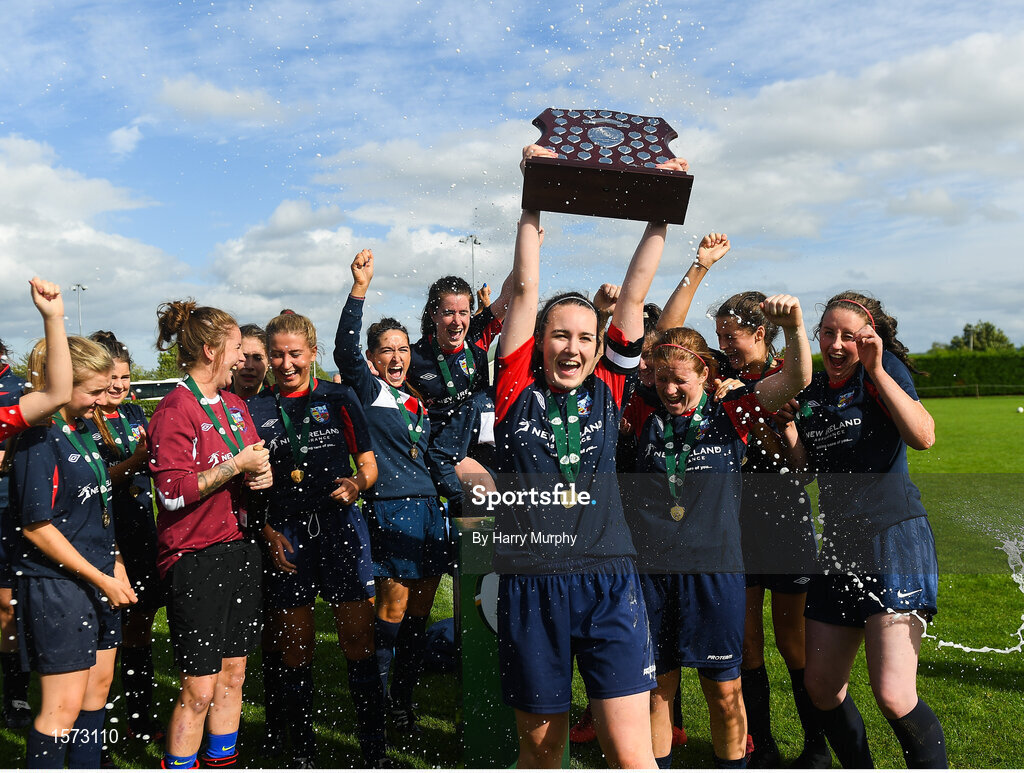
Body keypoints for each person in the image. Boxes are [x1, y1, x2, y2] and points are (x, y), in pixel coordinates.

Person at [488, 144, 685, 768]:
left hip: (609, 579)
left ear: (600, 350)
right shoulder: (516, 384)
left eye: (583, 338)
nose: (571, 348)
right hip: (532, 582)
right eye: (558, 335)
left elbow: (635, 292)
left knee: (633, 758)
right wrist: (533, 188)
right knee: (541, 756)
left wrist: (660, 209)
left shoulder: (611, 385)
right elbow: (527, 284)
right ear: (537, 342)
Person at [654, 234, 828, 766]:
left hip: (784, 523)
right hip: (734, 530)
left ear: (762, 333)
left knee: (793, 646)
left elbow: (805, 464)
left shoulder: (770, 386)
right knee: (747, 647)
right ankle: (763, 748)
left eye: (735, 339)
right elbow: (667, 339)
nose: (726, 348)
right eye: (721, 340)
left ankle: (815, 747)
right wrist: (700, 267)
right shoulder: (720, 385)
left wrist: (785, 424)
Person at [621, 285, 811, 768]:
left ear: (706, 373)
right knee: (657, 694)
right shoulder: (641, 409)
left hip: (716, 573)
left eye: (680, 379)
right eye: (662, 378)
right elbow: (657, 335)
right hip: (653, 576)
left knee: (725, 694)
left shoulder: (733, 411)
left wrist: (793, 328)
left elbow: (794, 378)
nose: (670, 389)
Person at [793, 292, 946, 768]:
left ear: (869, 337)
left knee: (894, 694)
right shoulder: (813, 390)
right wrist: (792, 436)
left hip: (893, 537)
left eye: (849, 336)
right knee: (820, 687)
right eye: (828, 334)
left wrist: (878, 370)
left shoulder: (882, 372)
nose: (836, 345)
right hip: (839, 544)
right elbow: (806, 475)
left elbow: (923, 437)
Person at [247, 312, 385, 767]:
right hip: (287, 536)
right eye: (277, 355)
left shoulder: (339, 397)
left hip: (340, 531)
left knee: (358, 643)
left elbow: (369, 466)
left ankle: (373, 751)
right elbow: (247, 485)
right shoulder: (254, 409)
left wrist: (357, 485)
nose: (286, 364)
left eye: (295, 354)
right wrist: (266, 529)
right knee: (295, 647)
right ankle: (301, 753)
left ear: (313, 352)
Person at [149, 300, 272, 769]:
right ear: (209, 350)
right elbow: (172, 495)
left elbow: (249, 461)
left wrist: (261, 473)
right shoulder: (175, 408)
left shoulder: (237, 405)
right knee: (199, 687)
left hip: (240, 550)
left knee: (234, 675)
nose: (243, 359)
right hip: (194, 558)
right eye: (237, 349)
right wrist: (235, 466)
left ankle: (224, 762)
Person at [9, 336, 137, 768]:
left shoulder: (82, 428)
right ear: (63, 386)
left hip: (99, 576)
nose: (104, 400)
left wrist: (115, 562)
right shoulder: (37, 439)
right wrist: (99, 576)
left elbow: (96, 507)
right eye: (94, 391)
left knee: (96, 694)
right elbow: (36, 526)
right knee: (61, 709)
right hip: (59, 587)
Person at [334, 250, 448, 735]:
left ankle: (402, 704)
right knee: (393, 613)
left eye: (403, 349)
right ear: (373, 359)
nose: (398, 357)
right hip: (391, 509)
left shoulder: (413, 401)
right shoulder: (367, 388)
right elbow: (343, 349)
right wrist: (359, 289)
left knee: (419, 617)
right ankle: (376, 707)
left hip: (428, 512)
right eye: (387, 350)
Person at [0, 278, 73, 730]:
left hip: (9, 510)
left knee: (9, 606)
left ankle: (17, 697)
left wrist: (53, 318)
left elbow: (58, 393)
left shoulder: (9, 400)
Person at [88, 331, 167, 743]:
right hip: (102, 541)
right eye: (112, 378)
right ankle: (95, 735)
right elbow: (96, 480)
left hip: (141, 535)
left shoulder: (137, 413)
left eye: (125, 377)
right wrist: (137, 459)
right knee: (103, 644)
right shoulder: (83, 420)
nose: (119, 385)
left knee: (139, 631)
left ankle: (138, 719)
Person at [408, 259, 519, 514]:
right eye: (448, 313)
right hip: (444, 452)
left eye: (463, 312)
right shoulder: (413, 357)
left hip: (481, 445)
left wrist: (529, 246)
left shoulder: (477, 336)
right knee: (482, 502)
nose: (457, 321)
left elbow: (509, 296)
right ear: (433, 313)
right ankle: (472, 550)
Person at [231, 323, 270, 399]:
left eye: (258, 358)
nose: (249, 366)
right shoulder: (214, 400)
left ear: (269, 362)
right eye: (243, 356)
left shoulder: (278, 404)